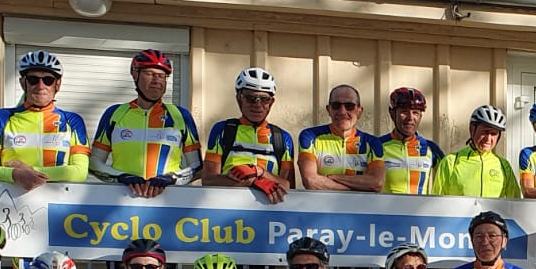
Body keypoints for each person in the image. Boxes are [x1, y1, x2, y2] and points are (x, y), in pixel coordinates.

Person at [89, 49, 202, 198]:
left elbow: (197, 166)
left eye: (161, 75)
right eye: (149, 73)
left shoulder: (180, 116)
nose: (156, 80)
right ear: (135, 75)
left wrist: (172, 178)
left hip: (168, 200)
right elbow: (94, 163)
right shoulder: (114, 114)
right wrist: (121, 177)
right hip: (121, 199)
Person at [0, 51, 90, 190]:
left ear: (57, 84)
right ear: (23, 83)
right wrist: (14, 174)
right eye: (33, 79)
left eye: (48, 80)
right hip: (13, 200)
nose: (40, 86)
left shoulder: (72, 121)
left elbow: (80, 172)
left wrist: (28, 171)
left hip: (57, 201)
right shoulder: (3, 117)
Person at [202, 68, 295, 202]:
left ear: (271, 102)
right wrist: (254, 182)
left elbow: (289, 187)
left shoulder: (282, 137)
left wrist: (260, 172)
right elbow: (208, 180)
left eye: (264, 99)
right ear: (239, 99)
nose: (258, 105)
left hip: (268, 210)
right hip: (226, 207)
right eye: (251, 98)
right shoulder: (223, 130)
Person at [297, 84, 384, 192]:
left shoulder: (372, 143)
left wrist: (335, 177)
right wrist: (360, 188)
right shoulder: (310, 136)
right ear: (328, 109)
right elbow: (310, 181)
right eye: (336, 105)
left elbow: (376, 183)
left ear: (359, 111)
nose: (342, 112)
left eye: (349, 106)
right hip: (322, 204)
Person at [432, 105, 521, 198]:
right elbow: (437, 201)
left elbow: (515, 202)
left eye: (493, 134)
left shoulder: (504, 166)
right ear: (472, 129)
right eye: (485, 132)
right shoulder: (450, 162)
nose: (488, 139)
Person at [380, 86, 444, 195]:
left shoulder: (431, 148)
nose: (410, 118)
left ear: (420, 117)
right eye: (404, 112)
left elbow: (448, 183)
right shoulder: (377, 146)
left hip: (419, 206)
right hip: (386, 206)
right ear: (392, 114)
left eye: (415, 113)